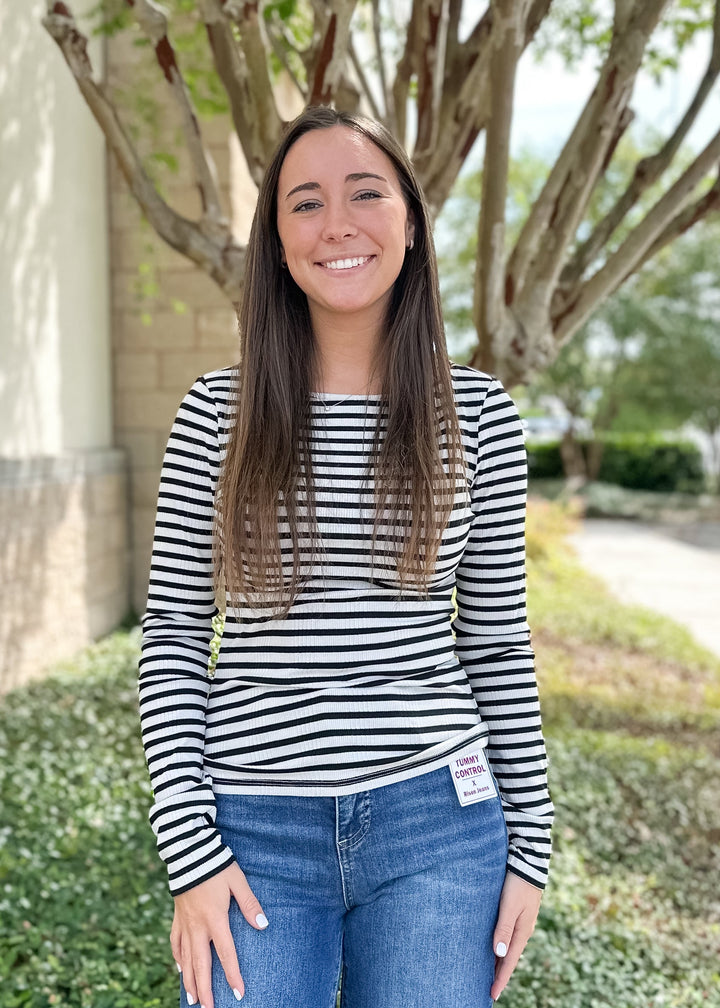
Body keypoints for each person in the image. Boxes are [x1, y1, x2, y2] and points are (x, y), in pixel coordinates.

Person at [139, 106, 553, 1008]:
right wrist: (191, 855)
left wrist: (531, 844)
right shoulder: (217, 414)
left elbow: (495, 641)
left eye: (366, 194)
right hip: (253, 836)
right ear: (277, 241)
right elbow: (172, 635)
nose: (338, 225)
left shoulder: (477, 415)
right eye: (305, 203)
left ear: (408, 220)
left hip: (440, 830)